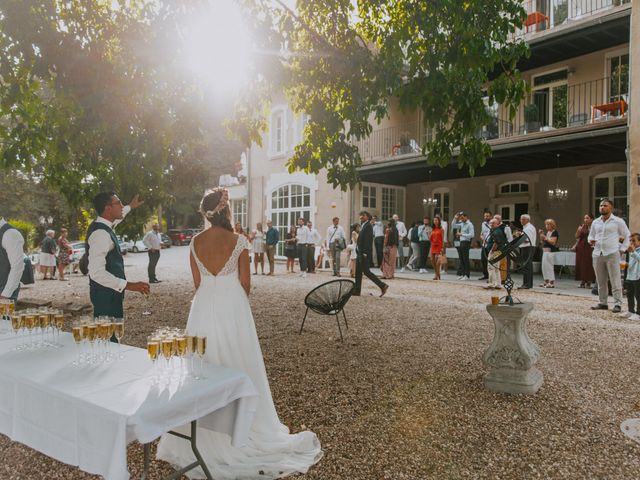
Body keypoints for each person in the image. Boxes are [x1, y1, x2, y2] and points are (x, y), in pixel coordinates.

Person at [157, 188, 322, 477]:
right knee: (239, 363)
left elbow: (198, 283)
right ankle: (243, 426)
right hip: (233, 306)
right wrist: (234, 299)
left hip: (204, 306)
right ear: (225, 211)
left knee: (202, 366)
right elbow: (246, 282)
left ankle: (201, 432)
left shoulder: (195, 243)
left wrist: (213, 292)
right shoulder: (239, 241)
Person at [86, 192, 149, 320]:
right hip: (105, 296)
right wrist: (129, 285)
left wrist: (130, 207)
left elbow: (119, 218)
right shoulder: (100, 234)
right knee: (108, 336)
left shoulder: (105, 225)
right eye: (118, 203)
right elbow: (96, 272)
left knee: (112, 333)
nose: (122, 206)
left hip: (110, 293)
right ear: (108, 209)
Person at [589, 198, 630, 313]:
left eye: (605, 205)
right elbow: (591, 236)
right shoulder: (595, 222)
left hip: (612, 253)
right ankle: (603, 303)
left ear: (611, 208)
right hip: (597, 253)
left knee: (615, 280)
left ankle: (617, 304)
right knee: (600, 280)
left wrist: (622, 249)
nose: (602, 207)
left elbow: (627, 235)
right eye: (601, 205)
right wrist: (590, 240)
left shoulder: (618, 221)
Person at [353, 211, 388, 297]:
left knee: (366, 272)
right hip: (359, 252)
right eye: (360, 215)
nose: (361, 216)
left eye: (363, 215)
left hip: (364, 253)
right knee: (358, 272)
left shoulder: (368, 226)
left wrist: (365, 253)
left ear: (367, 217)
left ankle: (382, 285)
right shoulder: (364, 225)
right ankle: (357, 290)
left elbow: (368, 240)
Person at [0, 216, 25, 301]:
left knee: (4, 315)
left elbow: (18, 266)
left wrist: (6, 294)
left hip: (4, 292)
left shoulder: (10, 233)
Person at [574, 213, 596, 288]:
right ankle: (582, 281)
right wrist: (578, 231)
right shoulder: (582, 226)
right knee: (581, 263)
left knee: (589, 264)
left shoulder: (594, 227)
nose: (585, 220)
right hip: (581, 246)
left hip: (590, 247)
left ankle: (589, 282)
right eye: (585, 218)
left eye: (587, 218)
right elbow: (577, 236)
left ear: (592, 219)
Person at [484, 218, 506, 290]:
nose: (491, 224)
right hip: (499, 251)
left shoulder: (496, 232)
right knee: (496, 268)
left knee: (491, 267)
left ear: (497, 224)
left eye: (493, 223)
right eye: (491, 223)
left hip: (495, 251)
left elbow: (496, 242)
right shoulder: (498, 231)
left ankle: (491, 283)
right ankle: (498, 284)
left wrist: (492, 250)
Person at [624, 233, 640, 321]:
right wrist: (627, 264)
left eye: (634, 240)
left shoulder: (635, 251)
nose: (631, 242)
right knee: (629, 294)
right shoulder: (632, 251)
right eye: (630, 240)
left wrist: (633, 252)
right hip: (630, 275)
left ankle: (639, 313)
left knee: (638, 295)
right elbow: (633, 263)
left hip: (638, 276)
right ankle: (631, 311)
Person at [539, 219, 559, 288]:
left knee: (549, 267)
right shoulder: (548, 233)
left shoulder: (554, 232)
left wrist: (545, 237)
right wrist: (541, 235)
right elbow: (542, 242)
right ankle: (546, 281)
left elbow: (553, 242)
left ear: (552, 225)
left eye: (548, 224)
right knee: (544, 267)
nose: (547, 226)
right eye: (546, 224)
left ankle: (551, 282)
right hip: (545, 251)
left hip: (550, 252)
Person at [519, 214, 537, 289]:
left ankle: (526, 284)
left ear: (527, 220)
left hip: (527, 248)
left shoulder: (528, 228)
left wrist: (518, 237)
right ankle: (529, 284)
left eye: (523, 219)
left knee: (526, 266)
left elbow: (526, 240)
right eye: (521, 219)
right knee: (528, 266)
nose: (521, 221)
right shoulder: (528, 227)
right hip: (528, 247)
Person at [455, 212, 474, 280]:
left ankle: (467, 275)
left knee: (465, 259)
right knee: (461, 259)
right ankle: (463, 274)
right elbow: (453, 225)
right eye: (460, 218)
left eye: (462, 217)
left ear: (466, 217)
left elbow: (472, 235)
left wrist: (462, 234)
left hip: (466, 242)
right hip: (460, 242)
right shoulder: (461, 224)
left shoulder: (470, 224)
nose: (461, 219)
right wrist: (455, 218)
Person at [430, 216, 445, 280]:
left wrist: (442, 247)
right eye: (434, 220)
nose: (435, 221)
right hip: (433, 245)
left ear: (439, 221)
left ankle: (437, 274)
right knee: (432, 260)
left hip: (439, 246)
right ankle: (437, 273)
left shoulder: (441, 229)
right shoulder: (432, 229)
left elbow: (443, 239)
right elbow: (430, 239)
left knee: (438, 261)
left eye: (436, 220)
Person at [479, 211, 492, 281]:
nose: (486, 217)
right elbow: (481, 233)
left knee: (490, 260)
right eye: (485, 216)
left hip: (490, 244)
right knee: (483, 260)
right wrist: (482, 238)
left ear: (490, 216)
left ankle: (491, 276)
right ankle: (485, 275)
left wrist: (489, 240)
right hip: (484, 244)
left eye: (487, 216)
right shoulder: (483, 224)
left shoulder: (493, 223)